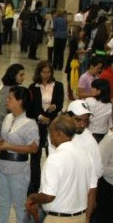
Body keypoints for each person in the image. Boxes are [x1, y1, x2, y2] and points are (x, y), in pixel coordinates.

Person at [26, 116, 97, 223]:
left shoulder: (55, 159)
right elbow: (92, 189)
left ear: (58, 133)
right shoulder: (85, 154)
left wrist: (32, 197)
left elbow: (49, 195)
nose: (50, 136)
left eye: (50, 132)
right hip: (78, 219)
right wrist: (87, 217)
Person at [0, 86, 39, 223]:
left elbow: (33, 148)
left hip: (18, 168)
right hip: (2, 164)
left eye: (10, 98)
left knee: (19, 205)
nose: (7, 101)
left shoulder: (30, 123)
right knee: (3, 202)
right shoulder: (8, 118)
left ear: (20, 101)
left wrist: (11, 146)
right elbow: (5, 137)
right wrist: (1, 143)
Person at [27, 60, 65, 194]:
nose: (46, 75)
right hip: (37, 124)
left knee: (53, 153)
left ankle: (52, 182)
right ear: (39, 72)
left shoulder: (58, 85)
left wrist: (52, 113)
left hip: (53, 124)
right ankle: (34, 183)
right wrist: (40, 116)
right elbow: (31, 107)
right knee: (35, 155)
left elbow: (59, 103)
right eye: (44, 72)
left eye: (49, 72)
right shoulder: (33, 87)